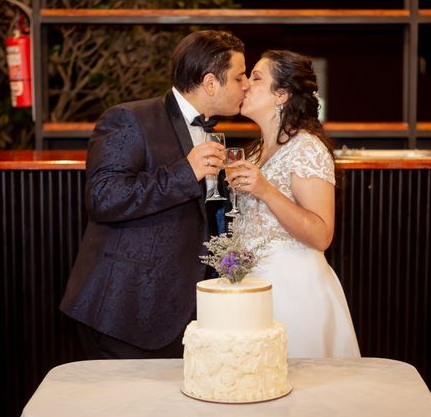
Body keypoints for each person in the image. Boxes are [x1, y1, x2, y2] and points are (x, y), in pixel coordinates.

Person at [60, 30, 249, 359]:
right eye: (239, 76)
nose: (246, 84)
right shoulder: (129, 119)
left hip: (178, 310)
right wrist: (185, 173)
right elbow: (103, 198)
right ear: (210, 83)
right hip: (125, 310)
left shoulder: (213, 133)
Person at [227, 50, 360, 358]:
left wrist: (266, 190)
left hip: (294, 293)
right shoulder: (255, 151)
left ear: (282, 94)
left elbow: (321, 235)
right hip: (251, 290)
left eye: (256, 78)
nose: (245, 84)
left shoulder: (307, 149)